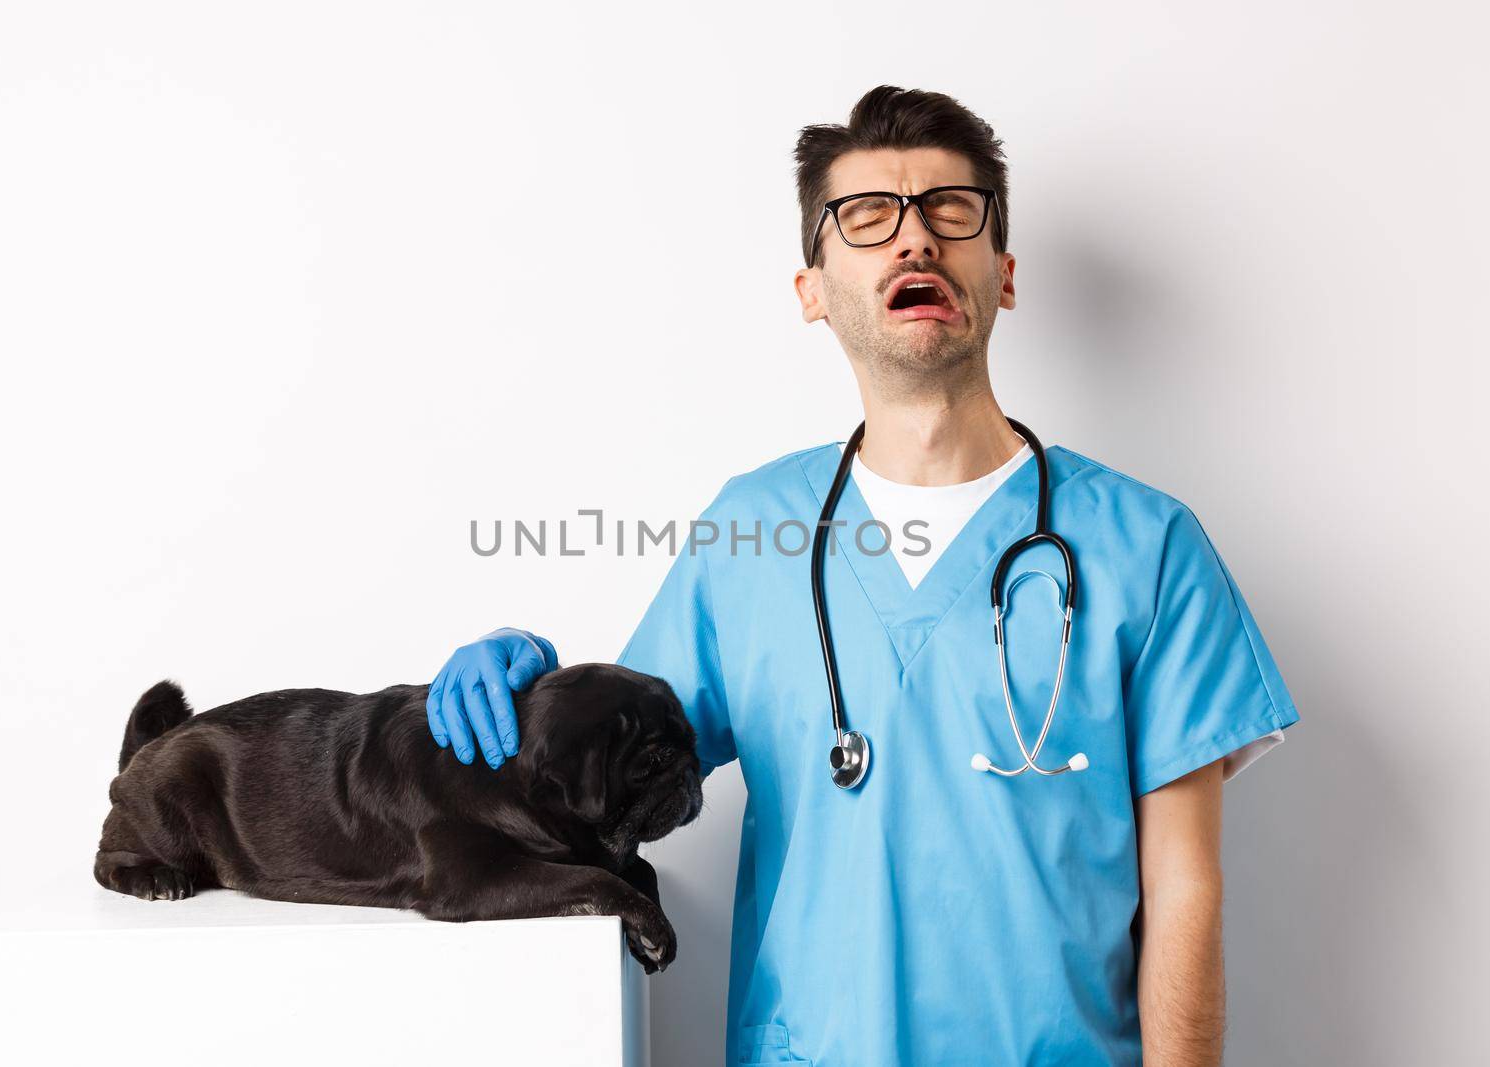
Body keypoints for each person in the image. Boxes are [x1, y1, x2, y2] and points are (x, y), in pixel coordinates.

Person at [426, 85, 1299, 1067]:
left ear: (1002, 274)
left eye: (950, 210)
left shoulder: (1147, 546)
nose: (914, 239)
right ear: (813, 288)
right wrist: (529, 696)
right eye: (868, 216)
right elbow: (599, 779)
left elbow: (1185, 888)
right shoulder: (749, 532)